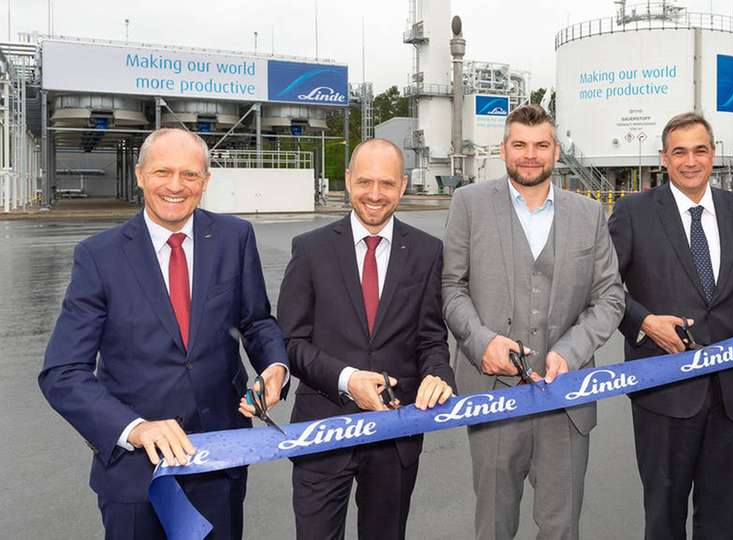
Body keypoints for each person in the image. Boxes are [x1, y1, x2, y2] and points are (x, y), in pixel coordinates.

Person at [38, 128, 289, 539]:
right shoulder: (98, 257)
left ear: (206, 181)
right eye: (162, 172)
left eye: (190, 175)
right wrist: (134, 427)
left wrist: (274, 366)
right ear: (139, 175)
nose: (175, 186)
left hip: (218, 461)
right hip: (135, 472)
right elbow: (63, 373)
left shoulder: (234, 237)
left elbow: (257, 321)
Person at [608, 112, 733, 539]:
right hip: (664, 390)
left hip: (729, 391)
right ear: (664, 158)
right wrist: (644, 322)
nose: (689, 161)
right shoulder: (633, 213)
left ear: (714, 154)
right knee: (664, 515)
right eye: (679, 152)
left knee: (726, 517)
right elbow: (604, 286)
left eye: (699, 150)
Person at [442, 104, 625, 540]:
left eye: (541, 145)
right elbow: (452, 287)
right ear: (504, 149)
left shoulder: (589, 214)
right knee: (494, 526)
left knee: (562, 528)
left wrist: (572, 350)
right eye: (520, 145)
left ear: (556, 150)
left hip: (566, 401)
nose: (530, 155)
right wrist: (480, 341)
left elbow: (611, 296)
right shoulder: (468, 204)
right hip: (494, 399)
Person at [278, 138, 455, 540]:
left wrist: (439, 375)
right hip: (323, 429)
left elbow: (431, 338)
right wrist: (346, 379)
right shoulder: (310, 250)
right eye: (365, 182)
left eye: (387, 184)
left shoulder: (427, 251)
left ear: (403, 186)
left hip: (395, 434)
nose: (375, 195)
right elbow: (291, 340)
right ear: (347, 181)